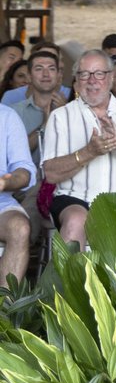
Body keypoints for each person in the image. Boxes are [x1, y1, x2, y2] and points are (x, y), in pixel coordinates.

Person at [40, 50, 116, 250]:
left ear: (111, 77)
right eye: (84, 74)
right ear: (77, 80)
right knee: (75, 221)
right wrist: (89, 152)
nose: (92, 80)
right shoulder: (61, 116)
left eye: (99, 73)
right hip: (77, 198)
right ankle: (70, 282)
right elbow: (51, 174)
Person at [0, 105, 36, 285]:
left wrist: (6, 182)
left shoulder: (7, 116)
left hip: (1, 201)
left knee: (19, 228)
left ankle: (5, 309)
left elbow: (23, 171)